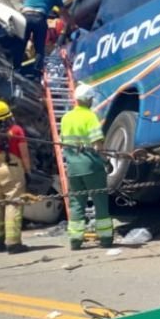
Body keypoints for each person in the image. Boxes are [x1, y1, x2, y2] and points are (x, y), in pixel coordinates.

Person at [60, 83, 116, 250]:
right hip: (91, 167)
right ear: (89, 99)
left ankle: (75, 240)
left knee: (77, 203)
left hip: (73, 169)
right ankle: (105, 239)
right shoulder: (90, 117)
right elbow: (98, 144)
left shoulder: (66, 118)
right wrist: (106, 161)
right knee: (100, 202)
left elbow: (64, 142)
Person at [0, 0, 72, 79]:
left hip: (25, 17)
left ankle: (16, 68)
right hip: (40, 19)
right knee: (39, 48)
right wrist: (71, 24)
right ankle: (36, 71)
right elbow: (64, 13)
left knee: (20, 43)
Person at [0, 99, 31, 254]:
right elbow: (25, 155)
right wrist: (28, 171)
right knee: (13, 205)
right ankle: (13, 243)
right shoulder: (16, 131)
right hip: (13, 171)